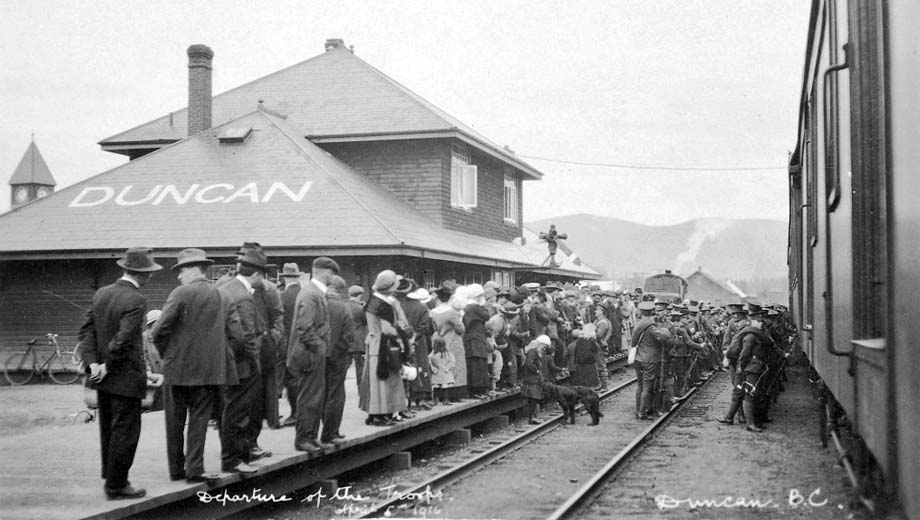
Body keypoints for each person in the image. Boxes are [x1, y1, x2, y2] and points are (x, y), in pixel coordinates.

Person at [78, 246, 162, 500]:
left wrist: (93, 364)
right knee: (126, 431)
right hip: (124, 377)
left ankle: (111, 477)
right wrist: (107, 364)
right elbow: (124, 338)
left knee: (108, 428)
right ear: (143, 274)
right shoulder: (136, 300)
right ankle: (117, 484)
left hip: (102, 379)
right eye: (149, 273)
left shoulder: (102, 294)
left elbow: (86, 332)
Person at [152, 248, 240, 483]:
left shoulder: (180, 293)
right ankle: (195, 469)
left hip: (177, 369)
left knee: (174, 422)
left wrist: (167, 355)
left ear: (193, 270)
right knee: (199, 420)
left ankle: (176, 470)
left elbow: (159, 330)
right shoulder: (223, 296)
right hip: (208, 372)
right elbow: (236, 335)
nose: (179, 275)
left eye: (181, 270)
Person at [215, 247, 263, 474]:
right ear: (256, 274)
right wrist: (254, 362)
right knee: (238, 412)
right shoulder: (244, 296)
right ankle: (233, 459)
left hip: (225, 360)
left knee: (230, 410)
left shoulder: (224, 288)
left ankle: (237, 456)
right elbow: (246, 335)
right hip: (243, 364)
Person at [288, 256, 338, 452]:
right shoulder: (311, 294)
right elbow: (304, 327)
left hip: (310, 353)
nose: (333, 276)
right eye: (332, 272)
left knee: (314, 397)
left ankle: (310, 436)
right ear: (323, 272)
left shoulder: (313, 292)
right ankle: (303, 438)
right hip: (309, 355)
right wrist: (320, 348)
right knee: (309, 398)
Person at [359, 270, 409, 426]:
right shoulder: (384, 304)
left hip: (373, 342)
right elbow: (387, 329)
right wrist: (400, 334)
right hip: (383, 344)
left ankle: (373, 413)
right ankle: (382, 414)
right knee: (384, 379)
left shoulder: (372, 301)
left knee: (373, 380)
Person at [718, 304, 773, 432]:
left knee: (740, 391)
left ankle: (731, 417)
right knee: (745, 392)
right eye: (736, 321)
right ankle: (746, 421)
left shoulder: (749, 332)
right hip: (743, 366)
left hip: (743, 366)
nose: (736, 324)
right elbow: (737, 351)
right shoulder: (749, 334)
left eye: (739, 321)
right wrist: (732, 361)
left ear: (747, 320)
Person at [320, 275, 355, 445]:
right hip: (338, 357)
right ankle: (331, 432)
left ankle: (323, 429)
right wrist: (340, 352)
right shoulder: (343, 307)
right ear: (340, 290)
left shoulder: (319, 303)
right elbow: (349, 335)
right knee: (336, 394)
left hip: (320, 355)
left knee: (322, 393)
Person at [632, 301, 674, 419]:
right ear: (652, 312)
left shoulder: (638, 323)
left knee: (640, 386)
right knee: (647, 387)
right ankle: (642, 412)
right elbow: (664, 337)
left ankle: (638, 409)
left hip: (638, 358)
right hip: (649, 360)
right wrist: (665, 330)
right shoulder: (651, 326)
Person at [430, 284, 467, 401]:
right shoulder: (451, 312)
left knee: (440, 365)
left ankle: (440, 393)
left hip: (439, 339)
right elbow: (460, 328)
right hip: (453, 339)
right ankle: (454, 393)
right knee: (455, 365)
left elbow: (434, 327)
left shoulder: (434, 312)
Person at [278, 263, 303, 427]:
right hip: (304, 343)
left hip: (288, 344)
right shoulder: (304, 293)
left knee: (291, 380)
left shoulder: (282, 296)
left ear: (285, 277)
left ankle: (295, 413)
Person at [404, 286, 435, 410]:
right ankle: (422, 397)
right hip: (419, 341)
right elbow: (424, 327)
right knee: (422, 366)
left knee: (407, 368)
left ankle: (409, 398)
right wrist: (414, 338)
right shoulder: (422, 307)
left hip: (403, 340)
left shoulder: (399, 305)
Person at [463, 284, 493, 399]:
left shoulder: (467, 306)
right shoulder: (475, 307)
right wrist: (484, 305)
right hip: (477, 338)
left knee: (474, 365)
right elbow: (487, 316)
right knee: (479, 364)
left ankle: (475, 390)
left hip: (470, 338)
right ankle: (478, 390)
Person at [521, 335, 550, 424]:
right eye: (544, 346)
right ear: (540, 344)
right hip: (532, 379)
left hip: (532, 378)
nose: (544, 349)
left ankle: (533, 416)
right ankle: (532, 417)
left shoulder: (533, 351)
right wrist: (536, 371)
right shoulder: (533, 352)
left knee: (533, 399)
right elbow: (529, 363)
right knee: (534, 398)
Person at [346, 285, 368, 396]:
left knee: (345, 365)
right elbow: (366, 322)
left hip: (347, 340)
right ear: (359, 295)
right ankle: (362, 390)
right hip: (359, 340)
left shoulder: (345, 306)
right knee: (360, 367)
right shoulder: (360, 308)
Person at [141, 310, 165, 412]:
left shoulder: (168, 335)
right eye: (155, 323)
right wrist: (148, 373)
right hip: (154, 376)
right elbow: (143, 356)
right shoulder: (145, 337)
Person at [428, 337, 455, 405]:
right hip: (438, 372)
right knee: (437, 386)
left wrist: (447, 368)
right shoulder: (433, 353)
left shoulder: (446, 353)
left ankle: (444, 399)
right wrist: (434, 369)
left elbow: (452, 361)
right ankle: (436, 399)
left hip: (444, 372)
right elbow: (430, 361)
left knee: (444, 386)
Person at [571, 323, 600, 388]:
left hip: (580, 364)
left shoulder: (579, 340)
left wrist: (575, 362)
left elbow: (576, 352)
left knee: (582, 383)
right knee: (590, 383)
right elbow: (597, 349)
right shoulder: (592, 340)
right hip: (590, 364)